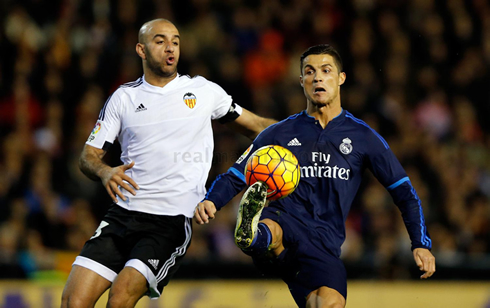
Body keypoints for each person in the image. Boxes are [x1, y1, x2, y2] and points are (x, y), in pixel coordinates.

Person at [195, 44, 436, 308]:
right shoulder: (280, 133)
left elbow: (404, 192)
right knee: (273, 229)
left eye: (326, 70)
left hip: (323, 243)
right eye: (310, 72)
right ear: (302, 82)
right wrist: (212, 201)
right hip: (283, 222)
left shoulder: (363, 137)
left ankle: (256, 237)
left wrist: (420, 242)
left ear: (341, 78)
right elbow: (236, 174)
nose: (317, 77)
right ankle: (253, 236)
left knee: (329, 304)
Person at [61, 18, 276, 308]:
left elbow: (257, 125)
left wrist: (301, 131)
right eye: (160, 41)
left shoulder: (203, 91)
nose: (170, 47)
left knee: (120, 296)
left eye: (175, 41)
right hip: (122, 215)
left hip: (170, 222)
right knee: (73, 301)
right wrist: (104, 171)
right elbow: (88, 156)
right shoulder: (124, 98)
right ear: (141, 49)